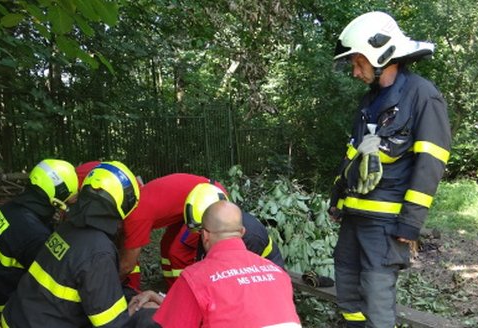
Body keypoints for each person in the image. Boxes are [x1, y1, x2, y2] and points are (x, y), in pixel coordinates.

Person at [329, 11, 451, 327]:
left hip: (384, 225)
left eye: (359, 63)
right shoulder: (370, 101)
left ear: (380, 54)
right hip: (353, 219)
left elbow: (431, 163)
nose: (355, 72)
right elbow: (353, 156)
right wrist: (337, 199)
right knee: (348, 297)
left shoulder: (422, 94)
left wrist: (410, 224)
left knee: (377, 304)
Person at [0, 161, 141, 327]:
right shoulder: (99, 252)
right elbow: (112, 324)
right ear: (125, 203)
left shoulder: (67, 228)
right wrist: (136, 311)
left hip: (15, 317)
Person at [129, 201, 301, 328]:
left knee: (145, 317)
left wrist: (151, 309)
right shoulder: (277, 272)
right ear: (242, 232)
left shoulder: (196, 277)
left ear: (204, 235)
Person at [0, 159, 78, 312]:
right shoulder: (34, 233)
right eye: (70, 198)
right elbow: (56, 275)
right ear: (58, 197)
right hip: (4, 298)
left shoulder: (12, 208)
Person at [119, 173, 226, 290]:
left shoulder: (135, 217)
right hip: (195, 199)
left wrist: (110, 286)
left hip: (208, 199)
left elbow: (127, 265)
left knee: (179, 252)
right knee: (166, 245)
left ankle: (187, 292)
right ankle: (171, 288)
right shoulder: (133, 206)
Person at [184, 182, 285, 268]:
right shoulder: (209, 230)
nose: (202, 235)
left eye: (202, 230)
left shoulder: (251, 235)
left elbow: (236, 277)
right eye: (199, 230)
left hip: (267, 272)